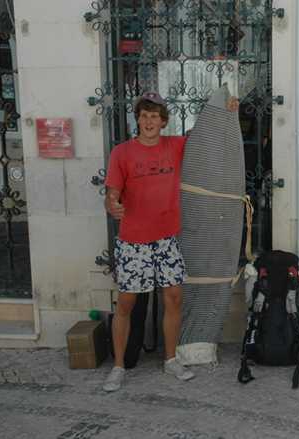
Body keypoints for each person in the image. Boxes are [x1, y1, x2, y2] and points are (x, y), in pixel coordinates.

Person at [103, 91, 239, 392]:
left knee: (174, 298)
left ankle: (170, 359)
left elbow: (209, 137)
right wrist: (112, 203)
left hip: (166, 240)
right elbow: (112, 193)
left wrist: (228, 111)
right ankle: (118, 366)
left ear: (163, 121)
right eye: (144, 116)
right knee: (126, 303)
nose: (149, 121)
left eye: (154, 116)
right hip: (133, 241)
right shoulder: (122, 153)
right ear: (138, 120)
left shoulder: (176, 145)